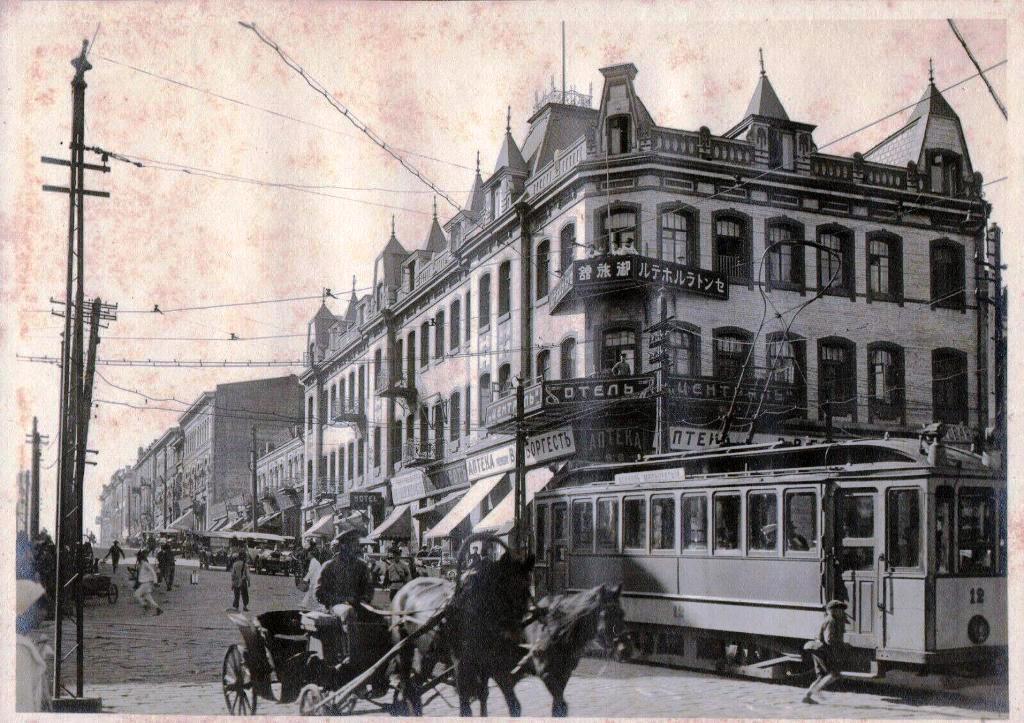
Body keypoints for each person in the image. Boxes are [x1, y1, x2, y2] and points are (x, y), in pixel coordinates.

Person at [316, 528, 374, 628]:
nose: (357, 548)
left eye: (357, 545)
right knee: (348, 612)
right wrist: (342, 600)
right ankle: (350, 643)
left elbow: (368, 590)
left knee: (382, 617)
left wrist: (362, 599)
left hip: (358, 606)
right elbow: (319, 593)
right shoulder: (329, 566)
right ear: (343, 546)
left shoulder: (362, 566)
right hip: (333, 608)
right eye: (353, 545)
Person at [802, 599, 849, 704]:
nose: (841, 612)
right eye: (839, 610)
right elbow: (829, 640)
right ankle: (817, 690)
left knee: (822, 676)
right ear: (832, 611)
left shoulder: (830, 619)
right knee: (834, 673)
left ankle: (807, 697)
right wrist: (842, 645)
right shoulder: (831, 620)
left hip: (817, 649)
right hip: (822, 649)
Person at [17, 580, 50, 712]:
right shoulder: (20, 649)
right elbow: (22, 703)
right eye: (41, 607)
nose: (44, 614)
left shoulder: (24, 643)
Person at [133, 549, 163, 616]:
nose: (137, 558)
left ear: (141, 557)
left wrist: (155, 581)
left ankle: (145, 606)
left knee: (136, 594)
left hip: (146, 583)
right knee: (148, 598)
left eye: (138, 557)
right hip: (145, 583)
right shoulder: (141, 564)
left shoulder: (145, 564)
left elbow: (153, 572)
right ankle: (158, 609)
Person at [301, 544, 324, 611]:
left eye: (308, 554)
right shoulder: (313, 561)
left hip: (316, 580)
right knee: (309, 592)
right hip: (315, 579)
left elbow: (310, 572)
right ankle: (304, 604)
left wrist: (305, 579)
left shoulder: (313, 562)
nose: (307, 555)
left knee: (314, 594)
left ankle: (321, 606)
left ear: (311, 555)